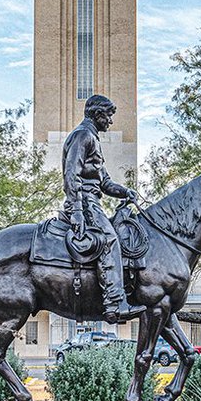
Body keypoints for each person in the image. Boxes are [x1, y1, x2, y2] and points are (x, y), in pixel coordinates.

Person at [62, 94, 145, 324]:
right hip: (85, 202)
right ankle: (115, 302)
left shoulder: (93, 139)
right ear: (98, 114)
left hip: (91, 201)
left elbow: (105, 182)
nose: (110, 121)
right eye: (108, 116)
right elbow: (72, 174)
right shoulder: (83, 135)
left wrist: (125, 191)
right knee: (109, 240)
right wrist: (77, 210)